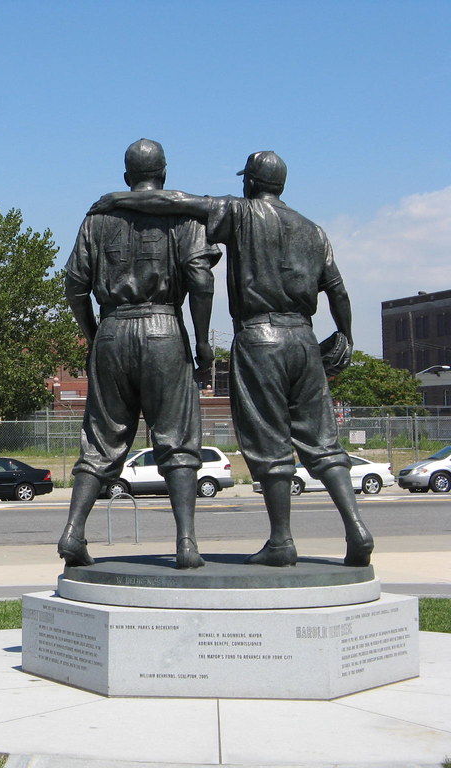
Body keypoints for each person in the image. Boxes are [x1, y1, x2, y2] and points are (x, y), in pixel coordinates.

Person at [90, 150, 372, 567]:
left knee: (270, 445)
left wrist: (117, 198)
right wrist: (346, 333)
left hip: (260, 337)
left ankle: (281, 541)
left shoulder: (241, 213)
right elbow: (338, 290)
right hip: (304, 339)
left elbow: (174, 202)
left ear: (251, 182)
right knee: (324, 443)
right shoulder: (314, 230)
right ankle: (356, 528)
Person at [57, 139, 219, 570]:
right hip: (164, 327)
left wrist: (95, 334)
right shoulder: (183, 215)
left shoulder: (99, 217)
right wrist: (203, 343)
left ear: (126, 176)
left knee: (102, 439)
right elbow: (201, 282)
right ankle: (186, 542)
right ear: (164, 173)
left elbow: (74, 284)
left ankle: (74, 530)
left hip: (111, 329)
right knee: (177, 440)